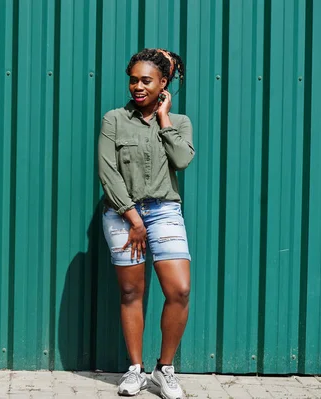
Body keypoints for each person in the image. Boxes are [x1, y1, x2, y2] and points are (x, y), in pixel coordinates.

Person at [98, 48, 195, 399]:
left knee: (179, 290)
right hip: (122, 214)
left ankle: (163, 369)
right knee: (131, 292)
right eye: (133, 80)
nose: (137, 86)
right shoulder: (114, 119)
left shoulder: (179, 122)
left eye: (146, 80)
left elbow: (182, 160)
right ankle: (135, 370)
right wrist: (132, 216)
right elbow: (107, 171)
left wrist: (165, 119)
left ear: (163, 84)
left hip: (165, 211)